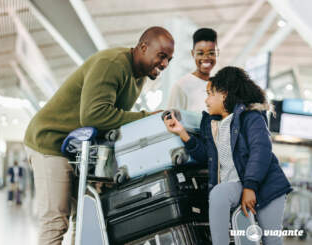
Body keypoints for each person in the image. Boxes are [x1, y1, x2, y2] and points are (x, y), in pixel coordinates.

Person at [24, 26, 174, 245]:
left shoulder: (138, 77)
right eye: (161, 56)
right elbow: (94, 116)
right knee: (56, 221)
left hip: (78, 149)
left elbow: (113, 121)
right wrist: (146, 118)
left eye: (169, 59)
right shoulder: (113, 64)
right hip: (50, 142)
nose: (164, 64)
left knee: (85, 217)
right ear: (143, 47)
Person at [164, 66, 292, 245]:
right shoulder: (213, 125)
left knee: (270, 238)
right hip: (236, 184)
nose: (206, 100)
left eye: (210, 94)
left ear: (224, 94)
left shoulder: (251, 117)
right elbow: (206, 156)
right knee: (219, 194)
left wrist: (250, 187)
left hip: (266, 186)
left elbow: (260, 150)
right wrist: (182, 133)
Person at [167, 28, 218, 111]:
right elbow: (171, 119)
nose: (206, 58)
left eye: (211, 53)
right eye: (200, 53)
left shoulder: (219, 86)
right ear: (193, 54)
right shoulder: (181, 86)